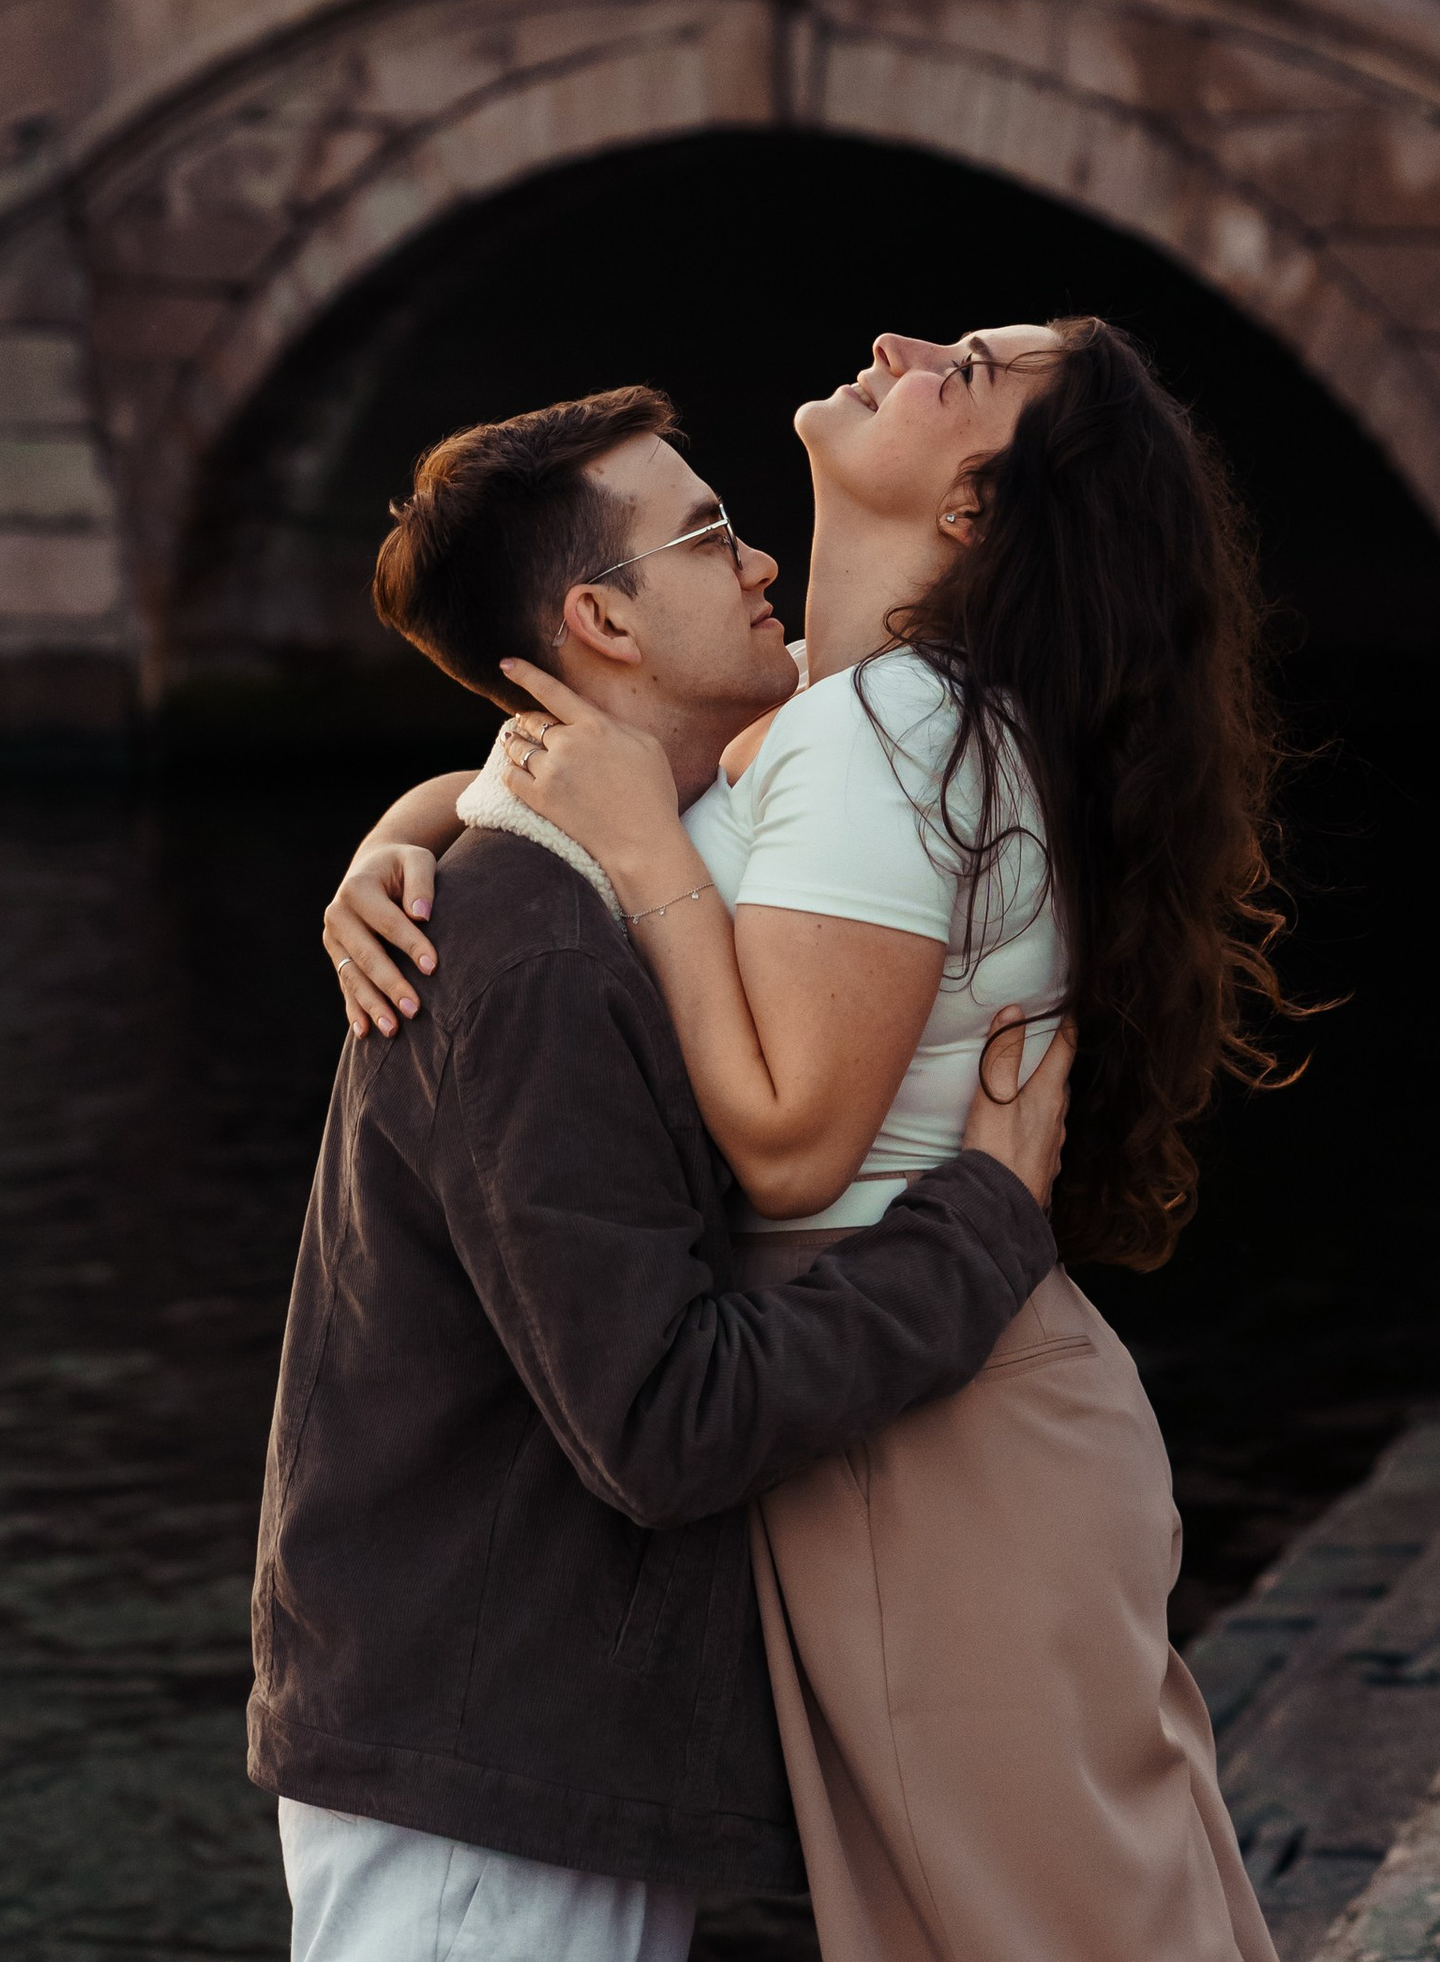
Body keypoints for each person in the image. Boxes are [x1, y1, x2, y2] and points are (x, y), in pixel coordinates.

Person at [328, 320, 1288, 1962]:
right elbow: (598, 799)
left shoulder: (890, 725)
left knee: (1059, 1928)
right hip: (908, 1398)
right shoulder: (845, 721)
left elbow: (785, 1151)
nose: (901, 344)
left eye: (964, 370)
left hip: (934, 1419)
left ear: (978, 509)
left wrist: (639, 857)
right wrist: (418, 823)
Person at [251, 381, 1076, 1962]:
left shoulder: (614, 876)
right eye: (706, 536)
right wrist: (979, 1226)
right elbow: (667, 1424)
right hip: (478, 1769)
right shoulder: (536, 950)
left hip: (521, 1736)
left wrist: (402, 819)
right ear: (599, 623)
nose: (759, 560)